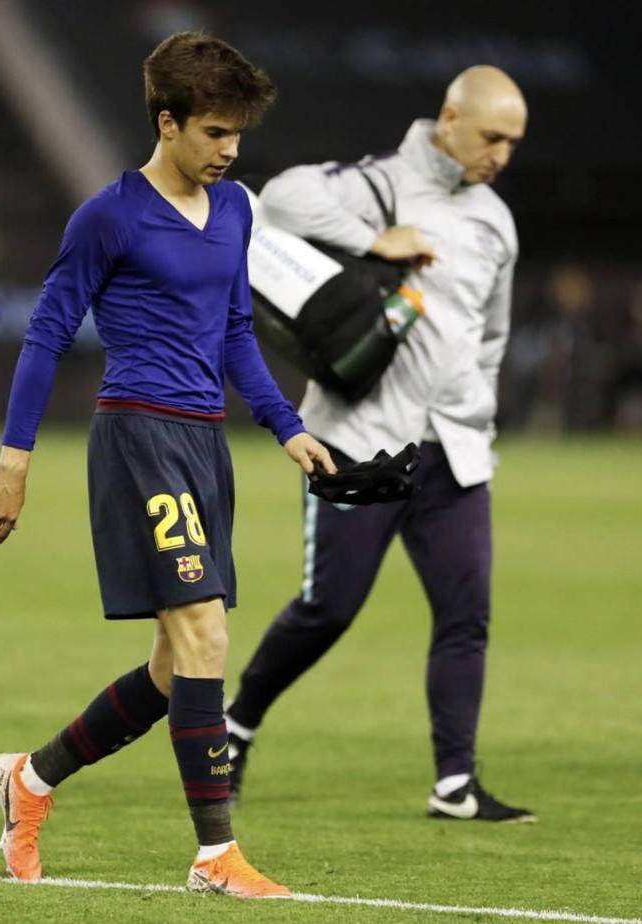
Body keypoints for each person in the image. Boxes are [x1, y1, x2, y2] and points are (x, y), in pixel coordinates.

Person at [0, 31, 334, 898]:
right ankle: (216, 858)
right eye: (215, 133)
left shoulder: (235, 207)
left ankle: (31, 780)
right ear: (167, 124)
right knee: (208, 631)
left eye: (237, 134)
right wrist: (13, 461)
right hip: (137, 436)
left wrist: (285, 425)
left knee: (178, 669)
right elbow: (48, 333)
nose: (231, 150)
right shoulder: (109, 216)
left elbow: (236, 331)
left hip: (205, 443)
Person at [225, 66, 537, 823]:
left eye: (513, 143)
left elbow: (490, 337)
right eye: (490, 136)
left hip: (454, 452)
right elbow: (282, 197)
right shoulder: (381, 185)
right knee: (329, 608)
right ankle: (234, 728)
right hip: (362, 442)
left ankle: (455, 784)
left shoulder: (496, 221)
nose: (500, 153)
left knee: (466, 614)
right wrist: (372, 239)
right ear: (450, 118)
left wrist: (479, 416)